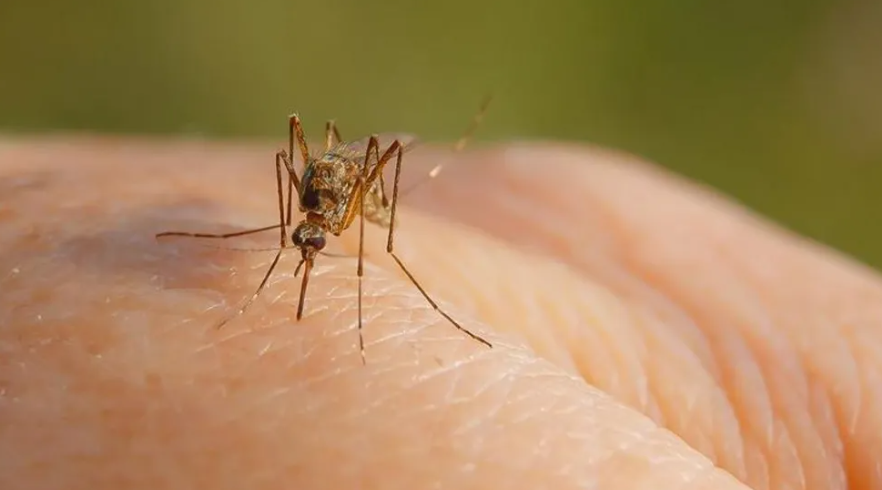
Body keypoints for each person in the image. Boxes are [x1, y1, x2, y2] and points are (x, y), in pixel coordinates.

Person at [1, 137, 875, 490]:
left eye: (304, 238)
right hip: (325, 194)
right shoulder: (305, 207)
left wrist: (356, 237)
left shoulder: (337, 207)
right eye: (303, 240)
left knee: (342, 168)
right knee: (292, 145)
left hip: (355, 196)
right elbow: (296, 169)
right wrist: (276, 229)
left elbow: (340, 179)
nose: (307, 252)